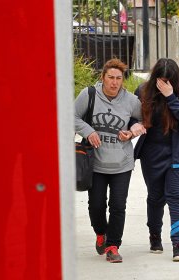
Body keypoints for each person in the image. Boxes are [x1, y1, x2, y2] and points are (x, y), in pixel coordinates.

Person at [74, 58, 144, 263]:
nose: (114, 82)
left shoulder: (131, 101)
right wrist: (88, 131)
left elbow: (142, 120)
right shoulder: (89, 94)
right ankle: (100, 233)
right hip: (95, 162)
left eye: (119, 78)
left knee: (118, 205)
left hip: (122, 163)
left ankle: (113, 246)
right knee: (96, 205)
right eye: (110, 77)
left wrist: (132, 132)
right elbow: (72, 116)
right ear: (102, 77)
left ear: (123, 80)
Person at [131, 58, 179, 262]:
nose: (164, 84)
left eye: (168, 81)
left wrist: (170, 97)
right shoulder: (143, 91)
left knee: (177, 197)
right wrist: (135, 125)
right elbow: (133, 116)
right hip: (152, 154)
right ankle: (154, 235)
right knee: (155, 198)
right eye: (160, 80)